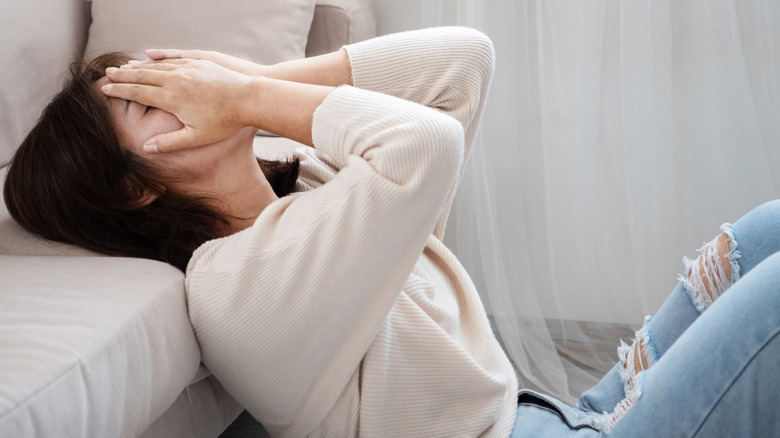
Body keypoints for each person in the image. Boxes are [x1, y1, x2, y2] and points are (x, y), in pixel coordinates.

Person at [3, 27, 779, 437]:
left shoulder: (303, 183)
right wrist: (243, 98)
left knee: (762, 235)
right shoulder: (233, 288)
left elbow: (463, 62)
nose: (188, 94)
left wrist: (249, 86)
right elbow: (425, 146)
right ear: (136, 190)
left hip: (557, 413)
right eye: (152, 103)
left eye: (171, 78)